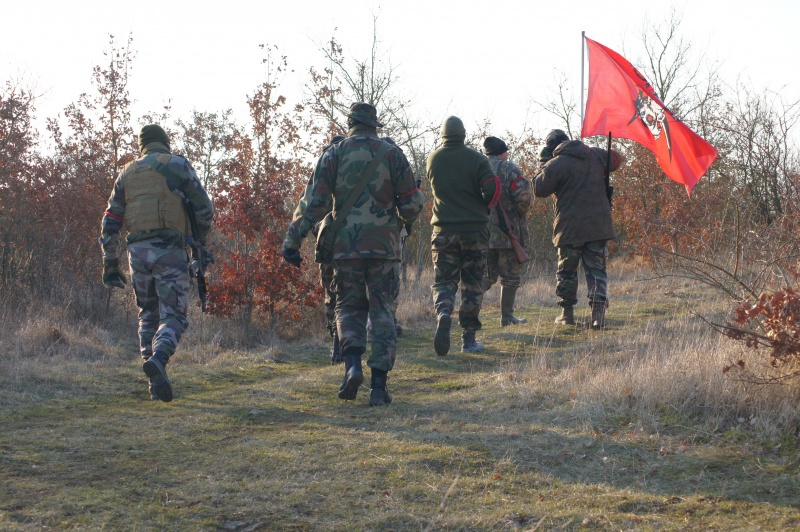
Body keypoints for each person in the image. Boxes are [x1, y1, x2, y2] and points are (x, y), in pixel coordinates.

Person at [282, 103, 423, 406]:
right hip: (384, 248)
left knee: (347, 307)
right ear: (375, 126)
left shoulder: (333, 154)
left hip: (345, 248)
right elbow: (411, 207)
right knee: (383, 311)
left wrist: (293, 240)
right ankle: (378, 388)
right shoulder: (392, 154)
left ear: (350, 125)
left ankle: (353, 367)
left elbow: (313, 204)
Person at [100, 124, 214, 402]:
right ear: (165, 142)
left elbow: (111, 220)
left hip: (136, 252)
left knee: (148, 313)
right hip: (170, 250)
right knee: (174, 316)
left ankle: (153, 378)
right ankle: (160, 359)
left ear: (142, 146)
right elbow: (205, 209)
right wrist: (199, 240)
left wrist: (110, 262)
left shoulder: (126, 173)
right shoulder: (178, 165)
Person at [533, 129, 622, 329]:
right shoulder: (596, 154)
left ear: (551, 147)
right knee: (597, 271)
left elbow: (538, 189)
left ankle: (566, 314)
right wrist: (608, 155)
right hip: (598, 226)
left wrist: (543, 164)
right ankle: (598, 315)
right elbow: (617, 159)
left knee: (566, 272)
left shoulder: (556, 164)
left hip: (569, 228)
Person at [426, 116, 499, 355]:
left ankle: (444, 311)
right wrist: (482, 208)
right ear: (464, 134)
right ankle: (468, 339)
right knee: (472, 284)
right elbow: (491, 188)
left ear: (443, 135)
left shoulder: (433, 159)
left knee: (444, 281)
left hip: (443, 230)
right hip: (474, 232)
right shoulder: (477, 159)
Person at [481, 136, 533, 326]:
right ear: (503, 152)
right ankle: (507, 317)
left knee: (486, 277)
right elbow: (523, 198)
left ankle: (468, 314)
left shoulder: (479, 167)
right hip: (508, 233)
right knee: (510, 277)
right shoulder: (509, 167)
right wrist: (517, 216)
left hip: (483, 234)